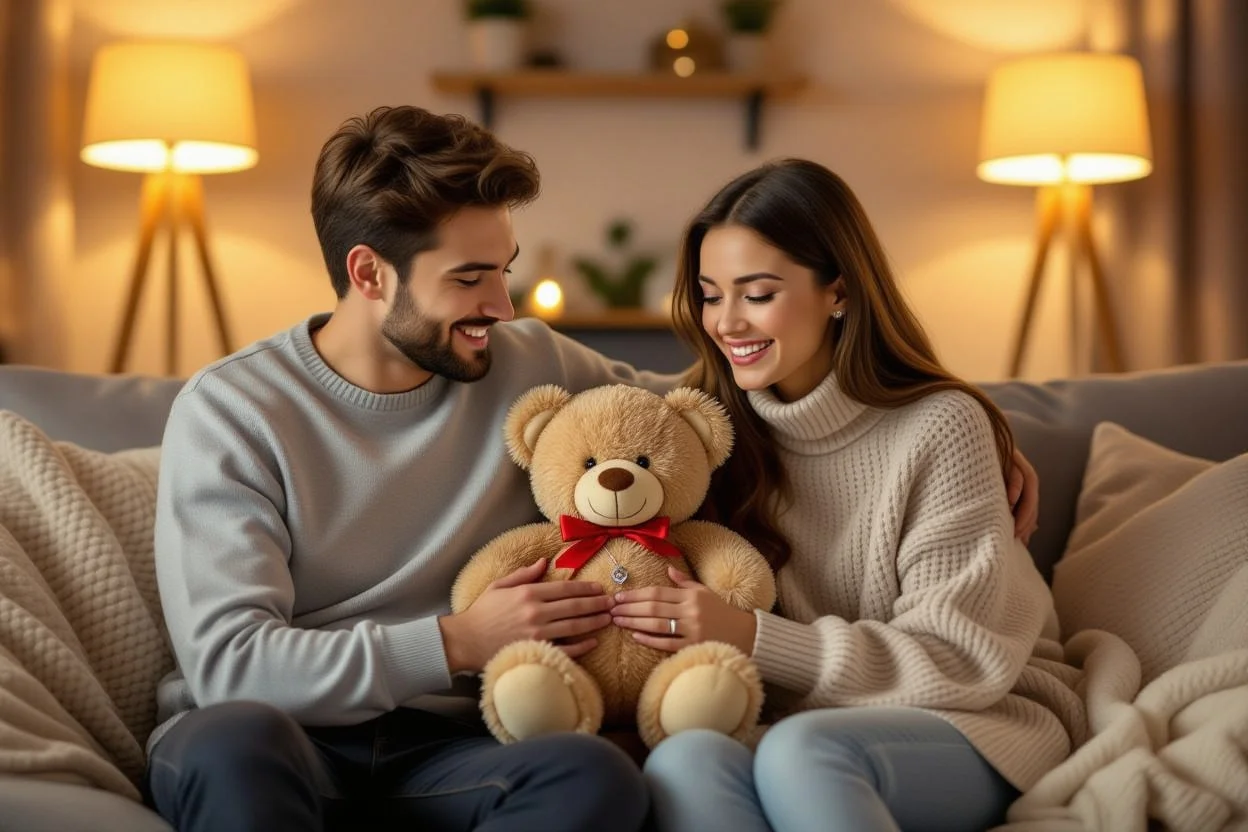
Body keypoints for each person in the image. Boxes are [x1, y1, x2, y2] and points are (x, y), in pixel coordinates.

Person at [144, 105, 674, 832]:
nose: (502, 305)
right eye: (469, 278)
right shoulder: (233, 409)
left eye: (504, 271)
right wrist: (459, 640)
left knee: (592, 775)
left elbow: (694, 417)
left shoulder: (536, 363)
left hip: (448, 751)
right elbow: (232, 667)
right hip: (276, 741)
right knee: (232, 745)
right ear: (369, 273)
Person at [614, 159, 1081, 832]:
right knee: (684, 760)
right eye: (712, 296)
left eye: (757, 293)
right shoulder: (704, 426)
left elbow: (958, 659)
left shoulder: (942, 426)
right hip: (799, 725)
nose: (728, 323)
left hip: (977, 717)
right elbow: (591, 406)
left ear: (838, 291)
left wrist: (751, 636)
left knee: (805, 753)